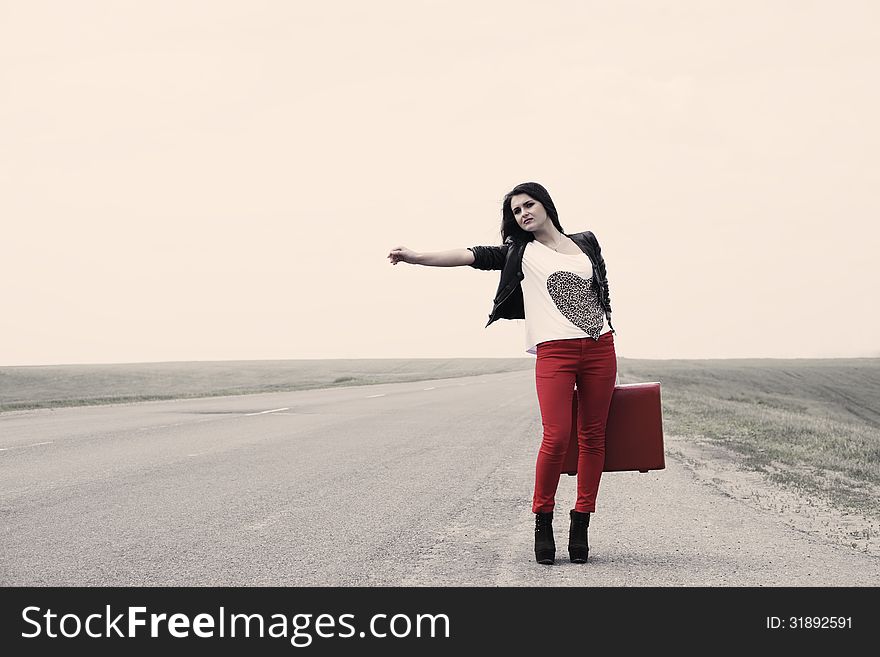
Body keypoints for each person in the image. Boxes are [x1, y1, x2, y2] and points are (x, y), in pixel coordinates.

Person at [387, 181, 618, 565]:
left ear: (546, 205)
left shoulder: (586, 242)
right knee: (557, 436)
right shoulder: (520, 252)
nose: (524, 213)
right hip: (554, 352)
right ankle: (543, 521)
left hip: (600, 348)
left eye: (529, 205)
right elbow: (469, 255)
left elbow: (600, 289)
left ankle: (581, 522)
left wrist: (607, 324)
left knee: (593, 438)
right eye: (516, 211)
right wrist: (416, 256)